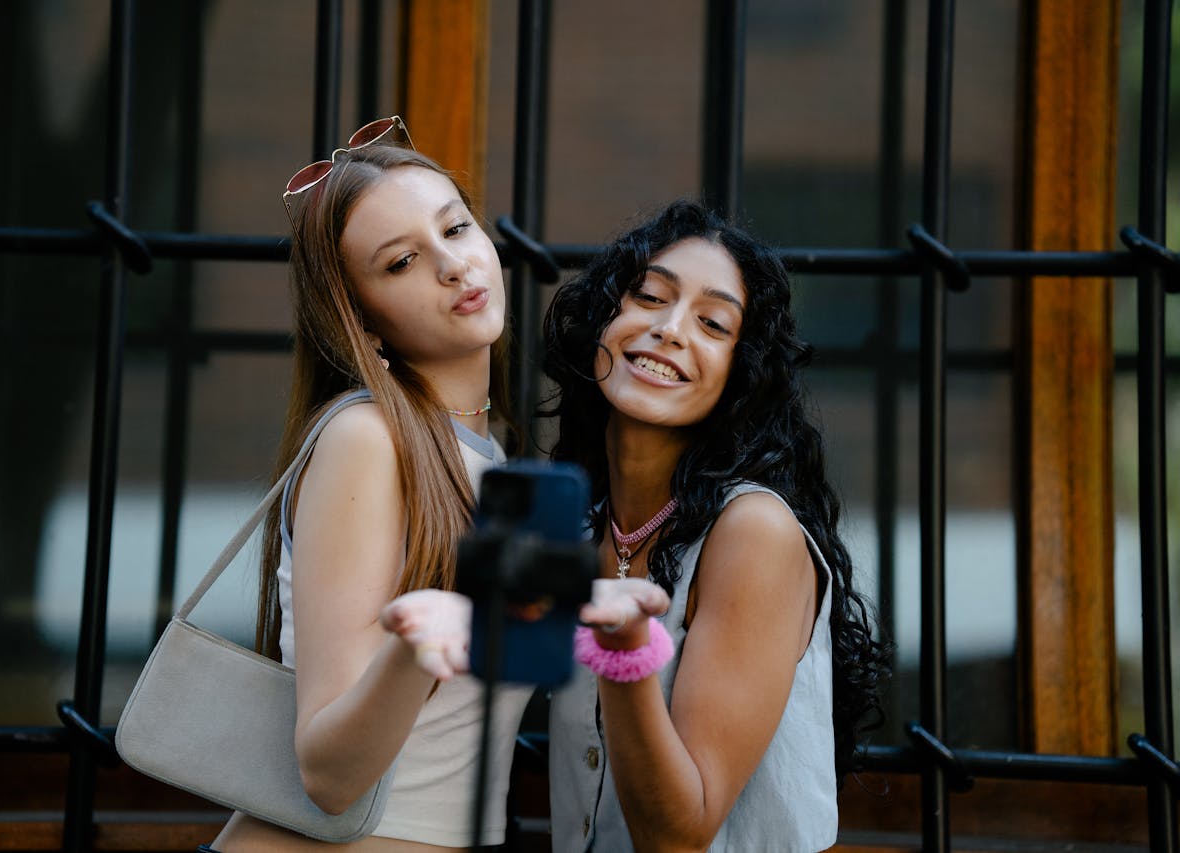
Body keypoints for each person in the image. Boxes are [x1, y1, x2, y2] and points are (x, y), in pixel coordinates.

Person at [207, 117, 532, 851]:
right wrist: (423, 643)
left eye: (455, 228)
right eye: (400, 263)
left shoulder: (485, 457)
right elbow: (327, 770)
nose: (453, 265)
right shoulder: (369, 439)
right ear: (363, 322)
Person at [542, 199, 888, 852]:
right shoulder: (586, 523)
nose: (670, 329)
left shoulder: (753, 531)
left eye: (713, 322)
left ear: (740, 375)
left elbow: (679, 834)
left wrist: (625, 651)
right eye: (648, 296)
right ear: (601, 321)